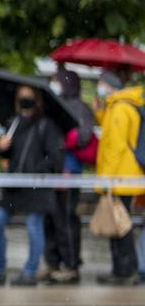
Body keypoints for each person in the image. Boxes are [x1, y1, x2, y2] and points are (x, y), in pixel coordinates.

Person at [0, 85, 64, 286]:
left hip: (36, 188)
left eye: (29, 96)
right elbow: (9, 155)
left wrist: (35, 172)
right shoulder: (12, 123)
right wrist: (1, 148)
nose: (24, 99)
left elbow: (55, 158)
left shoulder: (46, 125)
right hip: (14, 187)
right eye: (21, 96)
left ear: (36, 99)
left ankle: (30, 271)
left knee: (34, 226)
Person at [42, 69, 97, 284]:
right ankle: (53, 261)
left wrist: (66, 142)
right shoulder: (55, 105)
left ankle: (70, 264)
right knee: (52, 217)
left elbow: (83, 136)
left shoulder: (79, 108)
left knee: (65, 217)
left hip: (69, 170)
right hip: (55, 170)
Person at [93, 70, 143, 285]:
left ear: (109, 85)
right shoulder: (121, 106)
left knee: (120, 226)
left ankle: (126, 271)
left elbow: (115, 146)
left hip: (119, 177)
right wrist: (100, 113)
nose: (99, 87)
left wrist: (107, 181)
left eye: (101, 84)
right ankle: (121, 270)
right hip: (125, 175)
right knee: (118, 224)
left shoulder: (120, 108)